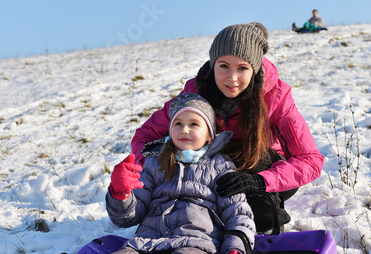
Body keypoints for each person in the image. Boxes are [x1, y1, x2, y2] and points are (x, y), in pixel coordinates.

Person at [9, 93, 255, 254]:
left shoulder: (222, 168)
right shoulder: (155, 164)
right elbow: (127, 217)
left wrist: (235, 252)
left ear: (210, 134)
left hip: (194, 244)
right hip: (147, 242)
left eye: (194, 124)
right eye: (178, 123)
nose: (184, 129)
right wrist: (120, 193)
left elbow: (239, 215)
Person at [131, 23, 324, 233]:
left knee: (258, 213)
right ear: (213, 64)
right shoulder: (196, 93)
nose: (232, 78)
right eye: (224, 66)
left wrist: (260, 181)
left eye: (242, 68)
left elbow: (310, 160)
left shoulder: (276, 98)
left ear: (255, 68)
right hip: (208, 169)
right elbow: (145, 136)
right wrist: (155, 170)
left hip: (259, 168)